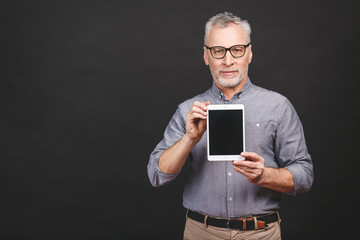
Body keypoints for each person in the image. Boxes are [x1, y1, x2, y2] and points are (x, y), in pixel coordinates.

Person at [147, 12, 314, 240]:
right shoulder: (188, 111)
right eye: (218, 51)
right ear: (206, 56)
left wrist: (264, 175)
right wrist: (189, 139)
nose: (228, 61)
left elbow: (304, 176)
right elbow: (157, 175)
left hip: (261, 233)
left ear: (249, 53)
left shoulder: (278, 106)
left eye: (237, 49)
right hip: (201, 233)